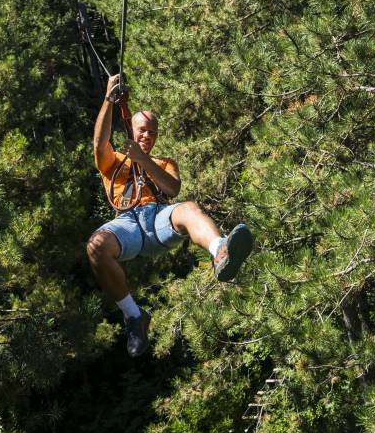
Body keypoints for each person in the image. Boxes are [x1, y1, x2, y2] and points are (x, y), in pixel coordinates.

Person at [87, 74, 253, 357]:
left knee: (189, 208)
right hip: (127, 222)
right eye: (141, 131)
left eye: (152, 132)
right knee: (96, 247)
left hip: (158, 218)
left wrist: (143, 159)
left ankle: (220, 252)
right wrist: (108, 100)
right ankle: (134, 315)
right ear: (132, 131)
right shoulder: (113, 162)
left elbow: (172, 188)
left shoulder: (164, 163)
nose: (146, 136)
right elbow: (99, 143)